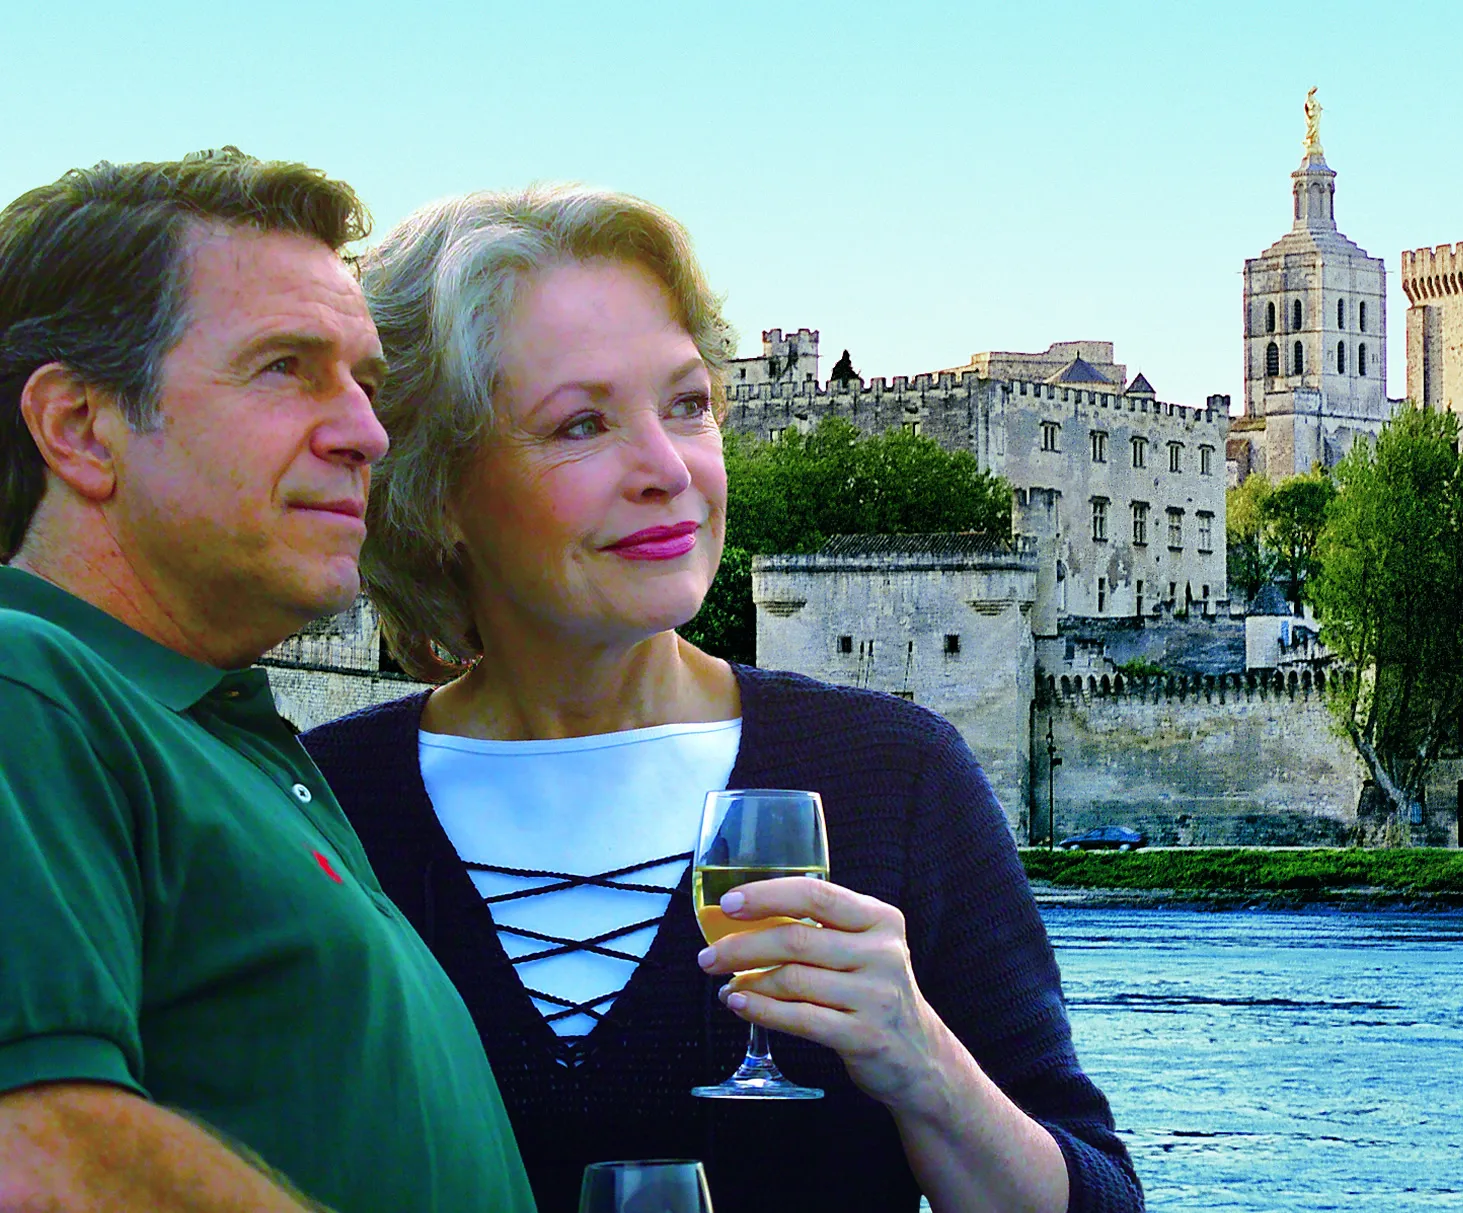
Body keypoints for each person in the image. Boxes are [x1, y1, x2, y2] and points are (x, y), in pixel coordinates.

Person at [299, 185, 1143, 1213]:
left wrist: (919, 1058)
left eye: (688, 404)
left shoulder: (892, 777)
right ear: (434, 488)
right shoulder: (322, 805)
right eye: (579, 424)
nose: (668, 469)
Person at [0, 150, 535, 1213]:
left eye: (367, 383)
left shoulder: (220, 733)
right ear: (79, 427)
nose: (367, 433)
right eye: (285, 366)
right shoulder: (28, 682)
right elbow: (39, 1163)